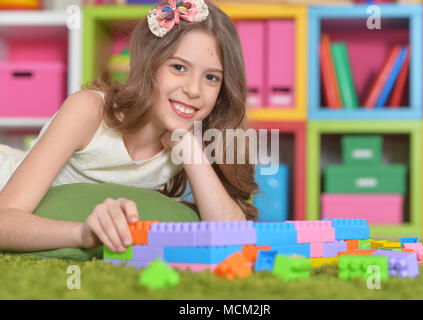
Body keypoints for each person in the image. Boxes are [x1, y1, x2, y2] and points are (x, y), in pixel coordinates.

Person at [0, 0, 259, 254]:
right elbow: (4, 220)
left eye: (211, 77)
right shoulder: (89, 111)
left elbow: (231, 235)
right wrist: (84, 234)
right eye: (178, 67)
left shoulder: (192, 137)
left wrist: (189, 148)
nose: (193, 90)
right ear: (149, 65)